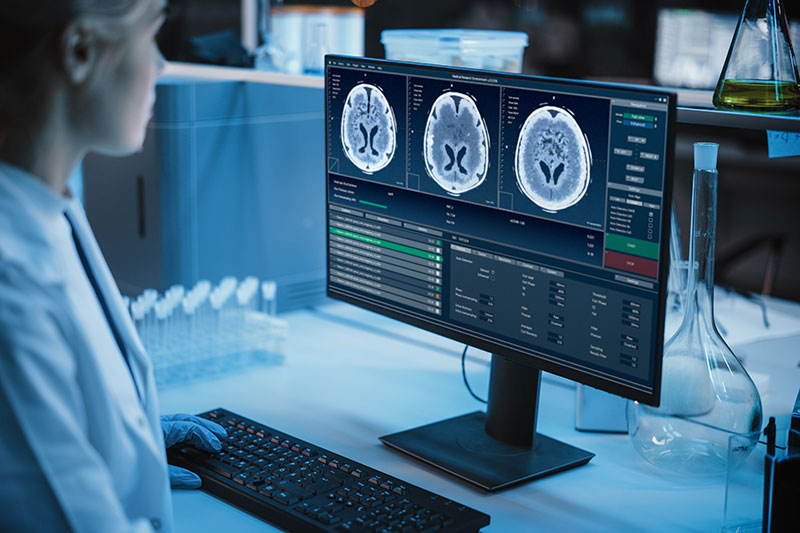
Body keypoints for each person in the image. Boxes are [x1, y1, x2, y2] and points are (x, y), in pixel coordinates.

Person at [0, 1, 226, 531]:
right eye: (151, 38)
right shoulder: (12, 285)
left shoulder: (50, 205)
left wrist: (131, 442)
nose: (162, 65)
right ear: (80, 51)